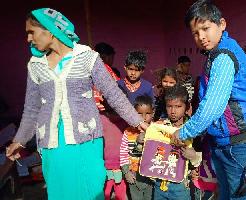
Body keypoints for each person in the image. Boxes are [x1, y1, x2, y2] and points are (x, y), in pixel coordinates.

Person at [5, 8, 147, 200]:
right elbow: (31, 108)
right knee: (60, 191)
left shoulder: (86, 57)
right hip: (52, 144)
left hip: (85, 140)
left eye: (32, 32)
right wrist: (19, 140)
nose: (29, 38)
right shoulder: (35, 65)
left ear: (49, 29)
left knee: (90, 189)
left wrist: (138, 121)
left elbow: (113, 93)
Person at [171, 1, 246, 199]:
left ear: (222, 24)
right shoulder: (217, 52)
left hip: (239, 145)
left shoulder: (223, 57)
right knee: (226, 194)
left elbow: (212, 107)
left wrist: (185, 132)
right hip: (225, 142)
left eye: (206, 28)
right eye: (195, 33)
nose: (201, 37)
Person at [153, 85, 202, 200]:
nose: (173, 111)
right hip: (160, 182)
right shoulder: (160, 127)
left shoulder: (193, 130)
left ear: (187, 107)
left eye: (178, 106)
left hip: (182, 185)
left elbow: (199, 158)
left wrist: (193, 156)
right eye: (169, 106)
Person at [120, 95, 155, 200]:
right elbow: (123, 155)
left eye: (147, 113)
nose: (144, 117)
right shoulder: (128, 132)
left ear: (153, 113)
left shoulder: (156, 131)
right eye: (139, 113)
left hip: (152, 175)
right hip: (134, 174)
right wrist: (126, 172)